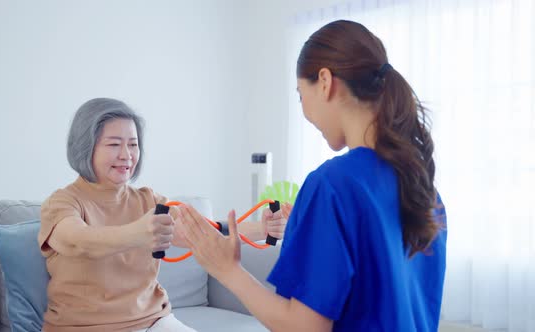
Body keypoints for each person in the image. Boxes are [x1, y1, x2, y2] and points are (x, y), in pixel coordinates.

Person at [179, 20, 447, 332]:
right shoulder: (424, 189)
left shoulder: (332, 184)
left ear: (324, 81)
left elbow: (304, 327)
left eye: (300, 94)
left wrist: (227, 271)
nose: (305, 112)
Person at [37, 98, 288, 332]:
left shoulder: (148, 200)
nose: (127, 155)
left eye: (133, 144)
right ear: (85, 147)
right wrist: (137, 233)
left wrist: (261, 229)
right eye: (114, 144)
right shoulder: (63, 202)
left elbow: (201, 230)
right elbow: (76, 240)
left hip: (154, 322)